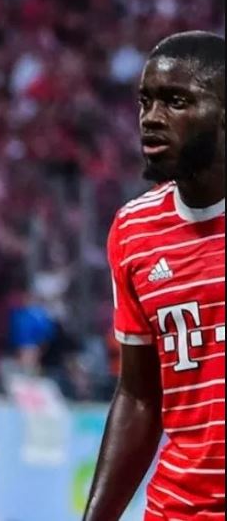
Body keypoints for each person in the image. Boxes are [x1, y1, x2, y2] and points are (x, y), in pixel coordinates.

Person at [84, 31, 225, 521]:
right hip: (176, 510)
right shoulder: (134, 230)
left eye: (176, 101)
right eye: (145, 101)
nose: (151, 117)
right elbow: (139, 396)